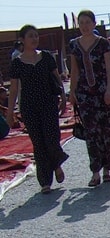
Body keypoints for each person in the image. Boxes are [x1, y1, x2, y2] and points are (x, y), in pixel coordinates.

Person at [5, 24, 69, 194]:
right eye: (30, 36)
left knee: (51, 139)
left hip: (48, 104)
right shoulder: (17, 63)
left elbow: (57, 78)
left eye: (36, 35)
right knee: (38, 143)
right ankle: (45, 181)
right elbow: (13, 90)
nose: (34, 39)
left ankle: (56, 164)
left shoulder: (46, 57)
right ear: (22, 40)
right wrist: (10, 113)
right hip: (29, 107)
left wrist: (63, 98)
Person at [68, 10, 110, 187]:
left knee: (109, 130)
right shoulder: (74, 45)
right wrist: (72, 92)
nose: (84, 26)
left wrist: (109, 90)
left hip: (103, 91)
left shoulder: (102, 44)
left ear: (94, 24)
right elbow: (75, 71)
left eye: (87, 22)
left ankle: (108, 169)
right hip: (85, 93)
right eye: (81, 22)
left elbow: (109, 69)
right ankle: (95, 172)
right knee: (92, 133)